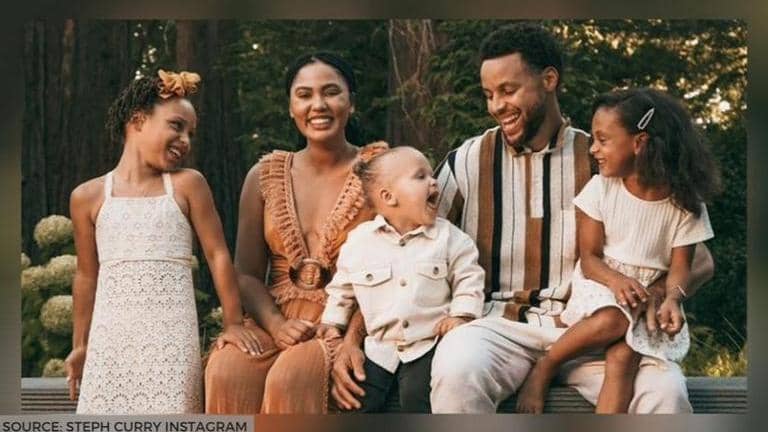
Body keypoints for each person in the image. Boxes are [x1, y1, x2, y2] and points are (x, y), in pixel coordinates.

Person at [423, 23, 715, 413]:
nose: (496, 106)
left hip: (593, 333)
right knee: (457, 368)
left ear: (549, 80)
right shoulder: (466, 161)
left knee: (665, 392)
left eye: (508, 90)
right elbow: (414, 242)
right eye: (489, 95)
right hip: (498, 329)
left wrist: (653, 296)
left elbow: (701, 261)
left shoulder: (603, 158)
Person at [515, 87, 719, 414]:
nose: (593, 149)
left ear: (639, 143)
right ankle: (546, 365)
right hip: (601, 285)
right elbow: (590, 258)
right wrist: (616, 281)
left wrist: (672, 299)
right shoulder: (601, 189)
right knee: (613, 318)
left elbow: (682, 267)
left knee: (623, 357)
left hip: (644, 300)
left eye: (603, 140)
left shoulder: (685, 205)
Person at [203, 52, 386, 414]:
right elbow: (246, 273)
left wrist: (352, 338)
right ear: (291, 107)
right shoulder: (264, 175)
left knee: (292, 377)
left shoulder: (380, 170)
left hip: (344, 321)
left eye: (331, 92)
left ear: (351, 102)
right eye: (304, 95)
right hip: (274, 317)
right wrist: (276, 325)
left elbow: (398, 263)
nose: (318, 105)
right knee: (226, 371)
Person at [65, 70, 256, 414]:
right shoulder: (87, 197)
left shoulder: (188, 185)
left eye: (190, 133)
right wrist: (80, 345)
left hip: (171, 341)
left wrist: (233, 324)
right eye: (176, 126)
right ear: (138, 121)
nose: (185, 140)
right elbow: (86, 275)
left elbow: (217, 255)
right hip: (110, 344)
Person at [315, 146, 485, 412]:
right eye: (420, 176)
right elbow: (342, 290)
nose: (434, 182)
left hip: (428, 345)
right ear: (388, 196)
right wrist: (332, 322)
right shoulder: (360, 242)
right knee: (356, 397)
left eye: (432, 175)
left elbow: (469, 279)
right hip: (379, 348)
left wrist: (461, 315)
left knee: (417, 396)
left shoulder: (450, 239)